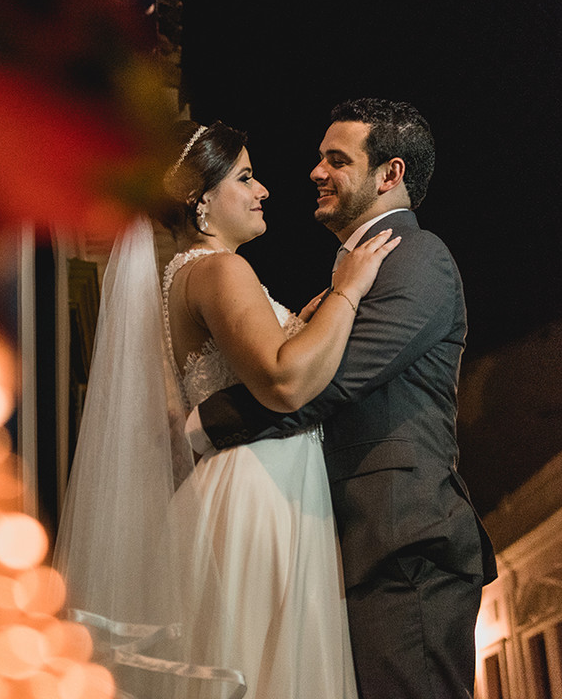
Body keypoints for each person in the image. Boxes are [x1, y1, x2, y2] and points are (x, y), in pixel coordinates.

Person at [53, 119, 398, 698]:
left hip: (239, 482)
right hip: (259, 487)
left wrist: (306, 321)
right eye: (246, 176)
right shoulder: (220, 269)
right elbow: (284, 381)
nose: (263, 190)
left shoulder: (179, 277)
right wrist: (348, 291)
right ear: (201, 199)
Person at [187, 99, 497, 699]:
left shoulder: (418, 257)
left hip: (404, 544)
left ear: (390, 174)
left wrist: (201, 426)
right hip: (347, 545)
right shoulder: (351, 274)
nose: (314, 172)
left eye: (337, 159)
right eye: (319, 158)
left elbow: (325, 383)